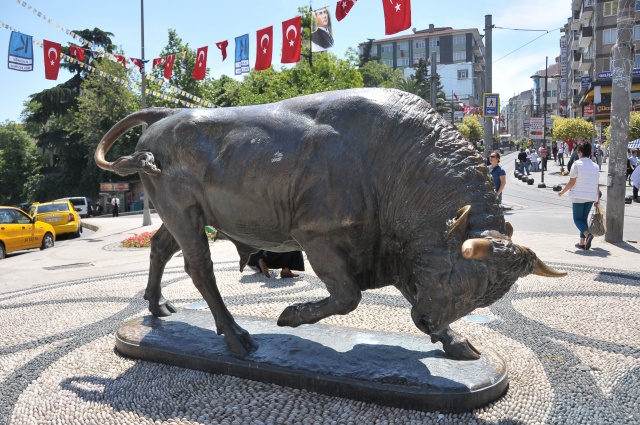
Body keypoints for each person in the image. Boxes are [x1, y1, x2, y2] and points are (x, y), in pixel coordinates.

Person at [558, 142, 600, 251]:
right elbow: (597, 183)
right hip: (591, 196)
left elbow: (571, 182)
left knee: (577, 219)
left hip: (578, 195)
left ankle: (587, 234)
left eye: (578, 152)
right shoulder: (595, 166)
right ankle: (582, 243)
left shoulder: (576, 164)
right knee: (583, 219)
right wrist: (598, 199)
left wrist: (562, 192)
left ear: (580, 153)